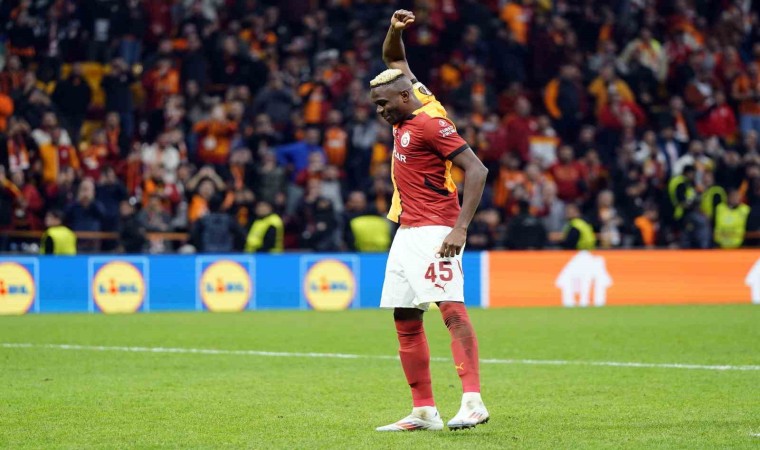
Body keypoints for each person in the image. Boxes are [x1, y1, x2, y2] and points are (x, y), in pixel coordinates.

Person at [372, 10, 489, 432]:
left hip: (437, 229)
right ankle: (424, 410)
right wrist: (395, 30)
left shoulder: (430, 123)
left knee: (451, 310)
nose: (380, 111)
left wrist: (459, 228)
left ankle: (473, 402)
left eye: (384, 104)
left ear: (405, 97)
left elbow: (477, 170)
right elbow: (394, 61)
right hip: (407, 228)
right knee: (405, 317)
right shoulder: (408, 99)